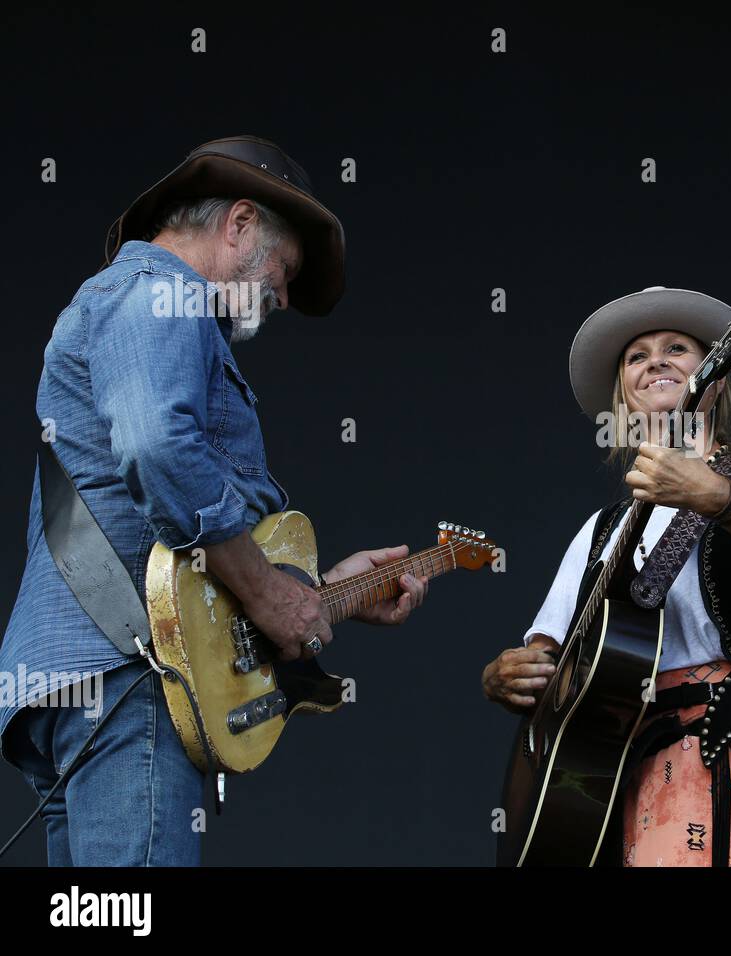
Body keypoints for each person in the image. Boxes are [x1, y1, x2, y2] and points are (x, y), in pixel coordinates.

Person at [0, 137, 431, 866]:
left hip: (97, 676)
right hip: (130, 680)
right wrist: (266, 592)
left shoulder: (132, 303)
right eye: (285, 270)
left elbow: (175, 554)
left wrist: (319, 592)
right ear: (238, 224)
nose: (285, 296)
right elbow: (158, 449)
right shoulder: (156, 291)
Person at [483, 286, 731, 866]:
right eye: (636, 356)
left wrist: (714, 496)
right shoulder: (601, 531)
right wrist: (507, 677)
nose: (655, 360)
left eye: (676, 347)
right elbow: (548, 659)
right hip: (623, 780)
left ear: (717, 374)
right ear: (624, 399)